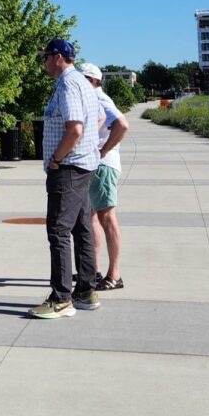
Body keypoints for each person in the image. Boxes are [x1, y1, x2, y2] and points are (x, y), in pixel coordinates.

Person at [29, 39, 102, 319]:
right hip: (82, 166)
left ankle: (61, 297)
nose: (44, 62)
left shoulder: (68, 84)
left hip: (69, 167)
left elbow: (75, 128)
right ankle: (85, 290)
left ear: (58, 57)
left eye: (46, 57)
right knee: (81, 228)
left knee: (58, 231)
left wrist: (57, 159)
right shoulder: (83, 83)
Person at [79, 63, 130, 291]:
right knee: (91, 218)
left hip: (103, 166)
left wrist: (104, 150)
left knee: (107, 217)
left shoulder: (100, 99)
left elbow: (122, 124)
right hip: (94, 165)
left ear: (91, 81)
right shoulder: (92, 99)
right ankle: (94, 270)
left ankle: (114, 274)